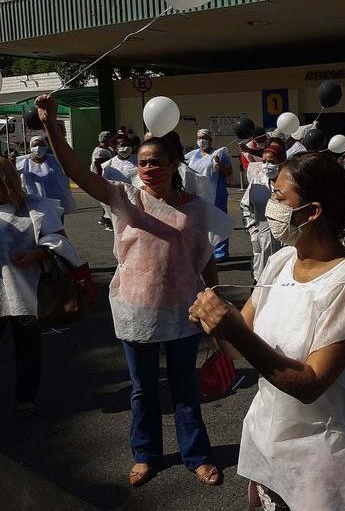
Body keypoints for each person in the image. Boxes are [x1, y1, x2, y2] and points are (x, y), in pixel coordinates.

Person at [187, 153, 345, 510]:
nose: (271, 205)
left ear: (312, 212)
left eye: (280, 197)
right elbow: (235, 348)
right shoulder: (281, 261)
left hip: (323, 464)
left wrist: (236, 331)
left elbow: (310, 384)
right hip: (270, 444)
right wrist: (217, 326)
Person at [35, 94, 231, 488]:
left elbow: (205, 257)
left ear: (174, 163)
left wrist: (217, 307)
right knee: (143, 391)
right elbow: (74, 167)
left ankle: (197, 455)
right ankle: (146, 454)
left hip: (183, 313)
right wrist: (51, 125)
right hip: (134, 311)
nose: (146, 169)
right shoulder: (124, 199)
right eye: (141, 162)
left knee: (185, 389)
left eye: (155, 161)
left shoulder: (196, 208)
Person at [0, 157, 81, 414]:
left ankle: (26, 397)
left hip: (27, 291)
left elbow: (59, 239)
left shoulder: (35, 206)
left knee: (27, 346)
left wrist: (38, 253)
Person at [241, 141, 287, 282]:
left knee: (282, 279)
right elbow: (245, 206)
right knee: (260, 280)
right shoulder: (257, 182)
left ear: (282, 163)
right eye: (265, 161)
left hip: (285, 243)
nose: (267, 165)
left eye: (271, 162)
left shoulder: (290, 184)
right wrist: (253, 231)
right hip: (263, 240)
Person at [187, 129, 233, 261]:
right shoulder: (192, 155)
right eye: (199, 137)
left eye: (205, 137)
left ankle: (221, 252)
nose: (202, 140)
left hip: (217, 193)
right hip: (199, 194)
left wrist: (219, 165)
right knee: (200, 224)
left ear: (210, 139)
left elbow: (229, 172)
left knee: (218, 222)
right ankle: (204, 252)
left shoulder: (219, 153)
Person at [16, 136, 77, 216]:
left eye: (41, 145)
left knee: (57, 226)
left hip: (55, 202)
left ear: (46, 147)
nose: (38, 148)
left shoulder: (55, 161)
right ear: (30, 147)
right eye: (35, 145)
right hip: (33, 204)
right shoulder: (22, 162)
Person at [91, 131, 115, 228]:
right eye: (107, 137)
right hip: (103, 177)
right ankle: (108, 221)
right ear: (103, 139)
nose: (110, 139)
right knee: (107, 200)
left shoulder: (108, 149)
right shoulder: (100, 151)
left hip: (107, 177)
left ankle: (104, 218)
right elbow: (100, 166)